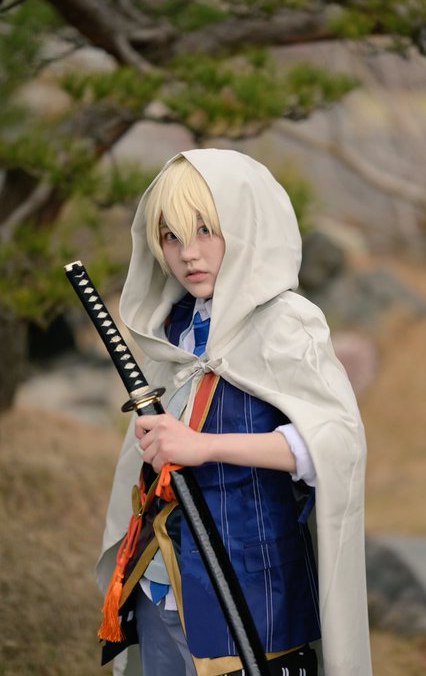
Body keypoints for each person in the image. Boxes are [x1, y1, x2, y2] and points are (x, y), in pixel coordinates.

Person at [96, 149, 372, 676]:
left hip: (250, 587)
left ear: (248, 226)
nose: (188, 254)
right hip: (159, 580)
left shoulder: (286, 323)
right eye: (171, 236)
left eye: (206, 230)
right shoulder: (173, 329)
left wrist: (204, 446)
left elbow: (332, 443)